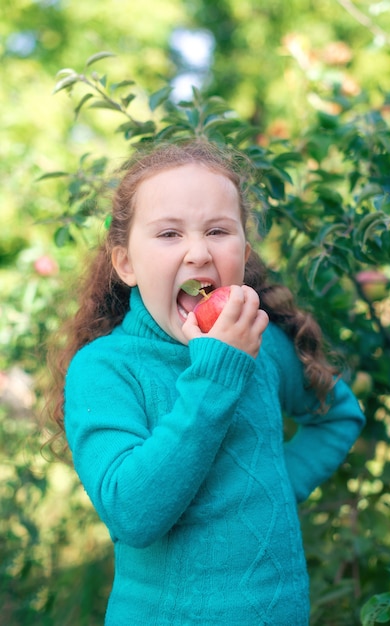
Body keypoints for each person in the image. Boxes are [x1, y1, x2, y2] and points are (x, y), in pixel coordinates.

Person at [48, 139, 365, 625]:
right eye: (169, 234)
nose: (198, 252)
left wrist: (273, 491)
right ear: (126, 262)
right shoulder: (105, 370)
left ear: (243, 248)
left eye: (218, 230)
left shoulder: (263, 345)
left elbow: (338, 415)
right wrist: (216, 373)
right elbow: (132, 515)